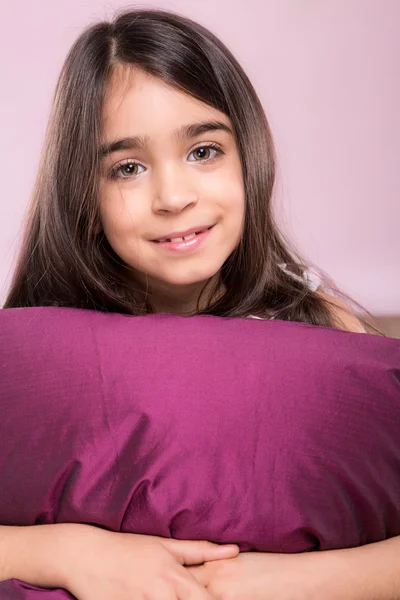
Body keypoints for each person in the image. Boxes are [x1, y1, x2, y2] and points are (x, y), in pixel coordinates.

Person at [1, 7, 398, 600]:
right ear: (83, 191)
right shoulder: (44, 361)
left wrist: (287, 581)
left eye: (204, 151)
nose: (174, 196)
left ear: (249, 154)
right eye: (128, 168)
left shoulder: (325, 334)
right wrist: (71, 552)